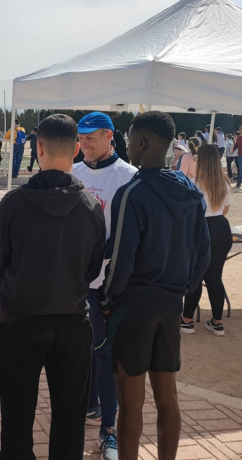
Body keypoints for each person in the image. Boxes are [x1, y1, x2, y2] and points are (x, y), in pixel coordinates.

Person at [0, 114, 106, 459]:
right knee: (70, 418)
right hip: (71, 322)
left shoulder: (13, 204)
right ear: (76, 150)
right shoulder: (91, 207)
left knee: (16, 417)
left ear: (37, 148)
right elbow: (92, 268)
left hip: (19, 322)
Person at [101, 111, 210, 460]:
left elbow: (120, 260)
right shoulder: (190, 191)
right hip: (170, 303)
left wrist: (107, 299)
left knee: (130, 403)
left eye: (130, 139)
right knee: (168, 398)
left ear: (142, 143)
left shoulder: (131, 193)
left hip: (133, 306)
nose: (127, 145)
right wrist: (183, 289)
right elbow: (202, 254)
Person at [72, 111, 137, 459]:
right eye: (80, 139)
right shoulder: (74, 172)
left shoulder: (128, 176)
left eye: (91, 138)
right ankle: (90, 405)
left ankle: (109, 430)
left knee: (105, 355)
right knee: (84, 351)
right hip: (76, 283)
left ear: (110, 136)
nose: (84, 145)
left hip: (108, 286)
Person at [181, 144, 232, 336]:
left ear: (201, 160)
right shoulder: (225, 183)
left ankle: (187, 320)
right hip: (221, 229)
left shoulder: (194, 183)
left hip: (201, 229)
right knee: (214, 277)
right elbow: (225, 210)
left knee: (196, 276)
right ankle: (217, 322)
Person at [233, 126, 242, 190]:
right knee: (241, 169)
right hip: (240, 155)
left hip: (240, 156)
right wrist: (232, 150)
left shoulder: (239, 137)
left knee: (241, 170)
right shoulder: (239, 137)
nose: (239, 130)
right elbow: (236, 145)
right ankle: (239, 182)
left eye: (240, 129)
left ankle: (239, 183)